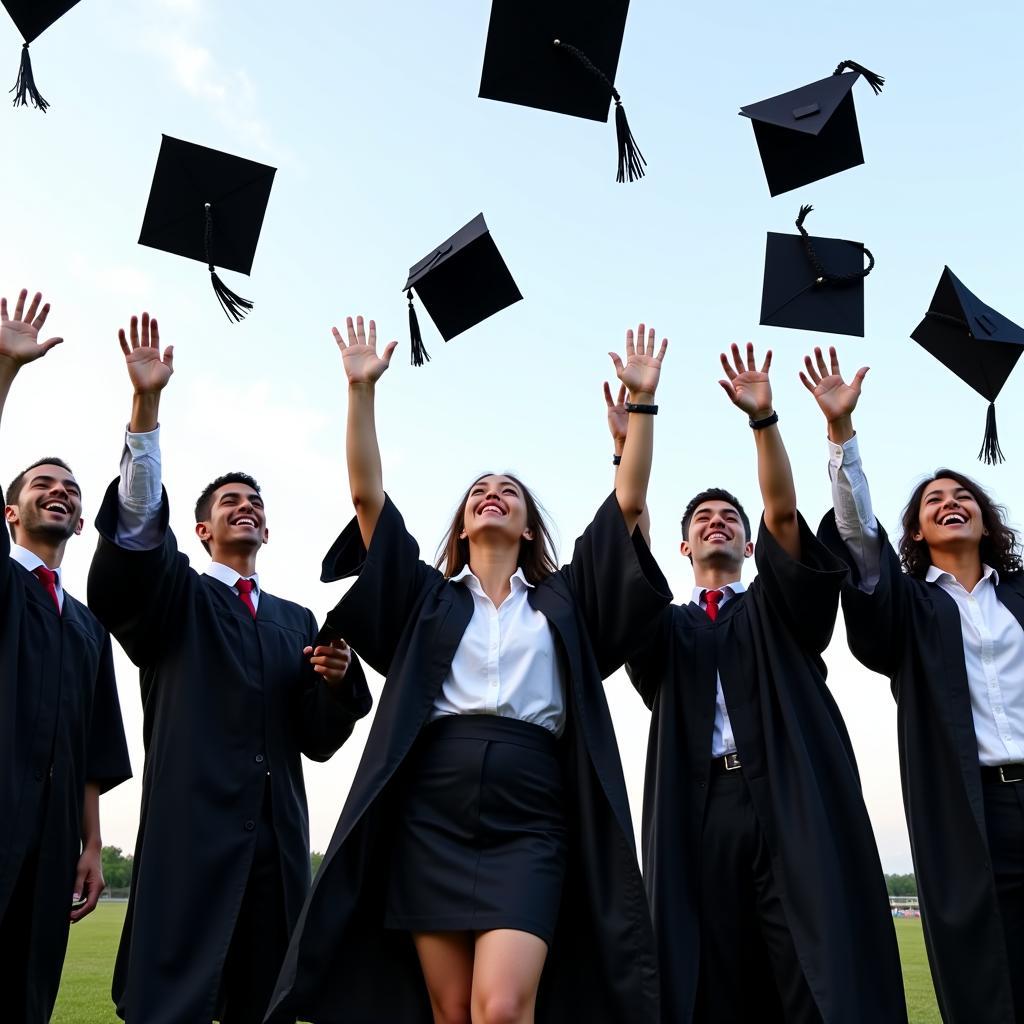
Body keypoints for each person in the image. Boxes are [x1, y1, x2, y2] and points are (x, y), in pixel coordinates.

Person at [266, 316, 672, 1024]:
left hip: (531, 817)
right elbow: (367, 501)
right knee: (452, 1014)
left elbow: (629, 506)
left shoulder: (564, 601)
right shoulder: (427, 599)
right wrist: (360, 391)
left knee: (504, 1008)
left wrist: (640, 409)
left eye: (509, 491)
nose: (493, 492)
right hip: (432, 816)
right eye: (480, 488)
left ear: (527, 527)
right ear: (459, 526)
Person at [86, 311, 372, 1024]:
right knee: (176, 1004)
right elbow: (133, 551)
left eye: (256, 504)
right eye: (230, 503)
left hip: (275, 847)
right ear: (201, 529)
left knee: (265, 1005)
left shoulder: (295, 620)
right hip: (192, 838)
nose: (246, 509)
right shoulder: (176, 594)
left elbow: (317, 737)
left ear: (268, 529)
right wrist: (145, 412)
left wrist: (334, 681)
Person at [622, 343, 906, 1024]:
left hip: (788, 794)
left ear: (750, 547)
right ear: (683, 548)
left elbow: (783, 514)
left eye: (730, 519)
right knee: (709, 980)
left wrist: (765, 418)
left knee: (812, 976)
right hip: (699, 808)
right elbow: (626, 535)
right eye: (701, 521)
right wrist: (634, 427)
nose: (717, 521)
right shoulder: (663, 629)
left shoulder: (777, 607)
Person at [809, 344, 1024, 1024]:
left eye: (964, 496)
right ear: (917, 532)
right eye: (935, 500)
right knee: (990, 982)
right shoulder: (910, 605)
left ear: (985, 520)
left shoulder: (1019, 594)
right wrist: (842, 434)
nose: (951, 502)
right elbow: (855, 532)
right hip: (969, 812)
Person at [0, 288, 131, 1023]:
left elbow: (92, 749)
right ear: (10, 511)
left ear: (81, 519)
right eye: (42, 485)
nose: (59, 494)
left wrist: (90, 843)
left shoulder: (86, 627)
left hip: (54, 838)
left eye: (70, 491)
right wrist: (6, 371)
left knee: (28, 995)